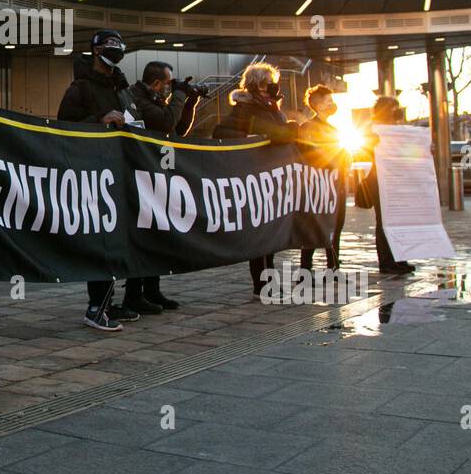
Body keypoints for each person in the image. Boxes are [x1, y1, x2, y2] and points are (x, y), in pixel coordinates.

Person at [56, 29, 141, 332]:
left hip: (123, 169)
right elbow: (63, 128)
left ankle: (111, 301)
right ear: (95, 50)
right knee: (103, 239)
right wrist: (99, 122)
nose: (115, 51)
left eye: (120, 46)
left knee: (121, 239)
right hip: (93, 172)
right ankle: (96, 306)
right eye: (109, 47)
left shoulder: (122, 87)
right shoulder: (79, 88)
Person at [122, 61, 202, 313]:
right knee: (142, 235)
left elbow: (178, 130)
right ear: (157, 82)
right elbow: (165, 123)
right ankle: (133, 295)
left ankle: (152, 290)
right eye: (169, 83)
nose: (170, 88)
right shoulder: (137, 98)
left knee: (155, 233)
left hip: (155, 173)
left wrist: (189, 102)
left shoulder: (155, 98)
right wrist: (178, 95)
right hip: (139, 175)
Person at [214, 62, 298, 297]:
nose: (273, 87)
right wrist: (250, 137)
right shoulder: (245, 108)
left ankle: (268, 278)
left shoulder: (273, 107)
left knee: (271, 233)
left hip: (274, 175)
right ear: (259, 85)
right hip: (257, 175)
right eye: (269, 83)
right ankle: (262, 283)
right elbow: (220, 132)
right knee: (261, 233)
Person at [358, 96, 415, 275]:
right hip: (380, 179)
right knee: (384, 222)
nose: (396, 111)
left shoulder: (395, 129)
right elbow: (366, 151)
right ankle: (387, 262)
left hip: (396, 179)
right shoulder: (372, 129)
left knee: (398, 221)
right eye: (392, 108)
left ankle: (399, 259)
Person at [298, 84, 345, 271]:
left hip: (336, 185)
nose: (332, 105)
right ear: (317, 105)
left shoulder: (333, 128)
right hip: (316, 187)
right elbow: (307, 154)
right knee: (313, 228)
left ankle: (333, 267)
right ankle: (305, 270)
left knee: (336, 227)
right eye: (328, 102)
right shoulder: (308, 127)